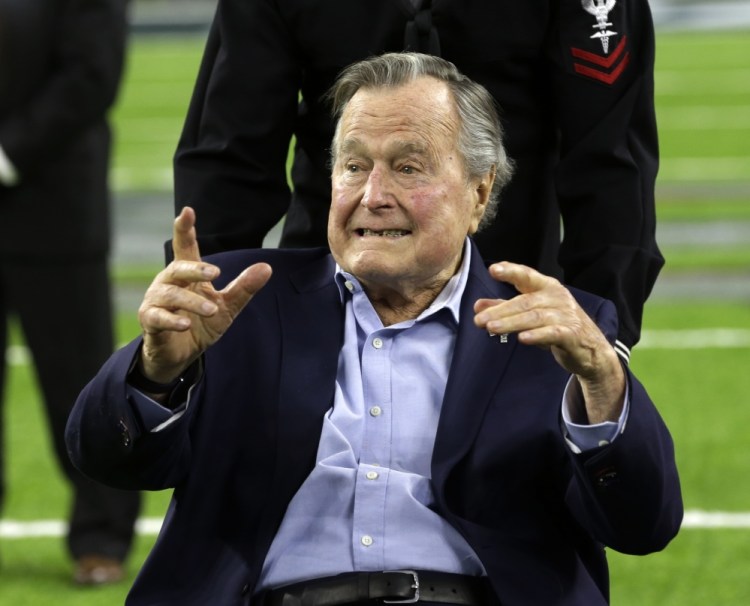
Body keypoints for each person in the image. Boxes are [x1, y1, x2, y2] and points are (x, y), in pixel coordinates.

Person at [68, 53, 681, 605]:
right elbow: (106, 458)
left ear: (479, 191)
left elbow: (644, 524)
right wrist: (157, 372)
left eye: (408, 167)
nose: (373, 194)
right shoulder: (237, 299)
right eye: (353, 166)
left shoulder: (554, 325)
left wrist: (603, 378)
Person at [173, 0, 663, 363]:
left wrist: (601, 327)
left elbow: (609, 156)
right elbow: (229, 154)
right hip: (326, 291)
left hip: (513, 299)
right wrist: (206, 314)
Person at [0, 0, 140, 584]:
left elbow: (92, 73)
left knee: (80, 380)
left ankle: (101, 537)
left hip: (54, 205)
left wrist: (7, 152)